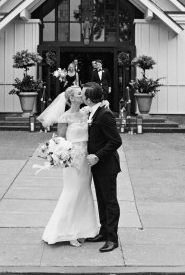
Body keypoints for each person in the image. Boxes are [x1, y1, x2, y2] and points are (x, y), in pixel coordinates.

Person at [37, 86, 100, 247]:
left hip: (87, 159)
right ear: (72, 98)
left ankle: (85, 229)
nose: (83, 95)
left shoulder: (86, 112)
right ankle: (67, 231)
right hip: (72, 160)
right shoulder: (65, 117)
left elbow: (100, 105)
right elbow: (60, 140)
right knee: (72, 191)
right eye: (80, 93)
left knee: (84, 192)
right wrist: (61, 156)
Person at [82, 82, 122, 253]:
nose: (81, 96)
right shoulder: (94, 111)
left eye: (83, 94)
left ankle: (113, 239)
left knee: (110, 201)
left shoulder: (105, 114)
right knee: (102, 200)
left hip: (107, 165)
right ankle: (104, 232)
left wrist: (97, 155)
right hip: (97, 166)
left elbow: (116, 141)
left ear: (89, 98)